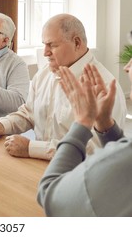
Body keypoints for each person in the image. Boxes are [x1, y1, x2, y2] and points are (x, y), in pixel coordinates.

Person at [0, 13, 127, 160]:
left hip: (77, 176)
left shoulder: (106, 88)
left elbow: (96, 149)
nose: (45, 52)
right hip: (36, 168)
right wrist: (4, 125)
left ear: (77, 43)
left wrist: (31, 148)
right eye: (44, 45)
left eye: (52, 45)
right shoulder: (45, 74)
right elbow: (29, 113)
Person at [37, 63, 132, 216]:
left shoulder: (106, 81)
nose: (127, 67)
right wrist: (104, 124)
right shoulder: (43, 74)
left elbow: (50, 195)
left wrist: (82, 122)